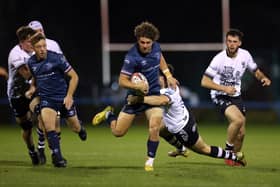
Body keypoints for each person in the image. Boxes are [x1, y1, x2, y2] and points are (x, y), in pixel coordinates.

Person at [92, 21, 177, 172]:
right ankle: (109, 115)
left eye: (148, 43)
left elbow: (161, 59)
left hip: (153, 95)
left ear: (153, 41)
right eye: (142, 42)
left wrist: (168, 75)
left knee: (155, 124)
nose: (145, 45)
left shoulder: (156, 48)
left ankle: (150, 161)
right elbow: (121, 81)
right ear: (138, 40)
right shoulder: (131, 57)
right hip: (135, 98)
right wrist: (137, 86)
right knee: (118, 132)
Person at [127, 64, 247, 166]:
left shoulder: (169, 90)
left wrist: (139, 99)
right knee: (160, 129)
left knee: (204, 149)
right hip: (183, 118)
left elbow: (161, 101)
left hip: (183, 128)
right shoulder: (165, 87)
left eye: (156, 76)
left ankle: (233, 156)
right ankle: (181, 149)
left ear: (163, 78)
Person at [201, 29, 271, 166]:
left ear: (239, 43)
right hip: (220, 94)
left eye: (234, 42)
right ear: (226, 42)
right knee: (238, 120)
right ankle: (228, 151)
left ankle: (232, 161)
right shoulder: (219, 59)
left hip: (235, 95)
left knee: (241, 134)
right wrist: (224, 88)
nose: (231, 44)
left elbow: (255, 71)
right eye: (229, 41)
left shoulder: (245, 55)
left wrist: (263, 78)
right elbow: (204, 82)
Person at [26, 20, 87, 165]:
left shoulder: (57, 58)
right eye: (39, 47)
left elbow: (74, 76)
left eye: (44, 46)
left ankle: (80, 129)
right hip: (47, 99)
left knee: (75, 127)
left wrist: (69, 95)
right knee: (49, 127)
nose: (42, 49)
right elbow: (36, 78)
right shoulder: (31, 62)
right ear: (33, 48)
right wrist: (32, 89)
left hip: (63, 98)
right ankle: (58, 157)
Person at [7, 26, 40, 165]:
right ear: (22, 42)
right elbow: (27, 75)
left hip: (33, 92)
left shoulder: (36, 51)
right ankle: (32, 150)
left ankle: (45, 149)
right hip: (17, 95)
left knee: (43, 116)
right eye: (28, 42)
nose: (32, 44)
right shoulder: (16, 54)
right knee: (26, 127)